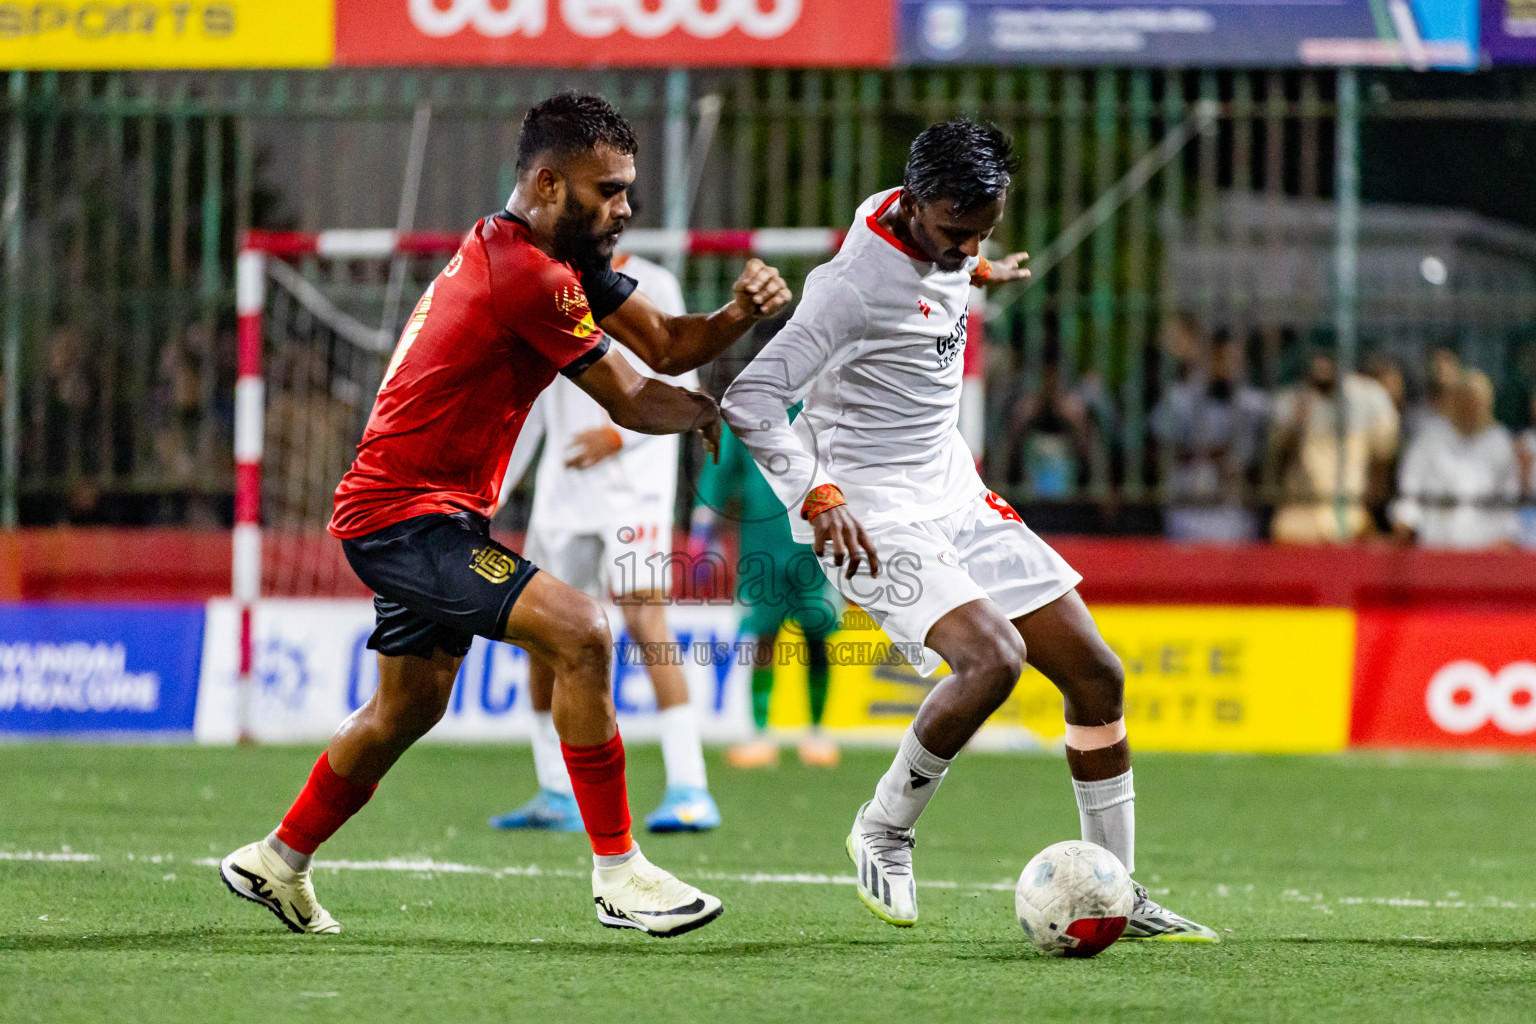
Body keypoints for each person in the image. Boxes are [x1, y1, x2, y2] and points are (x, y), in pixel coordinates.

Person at [219, 93, 790, 939]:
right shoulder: (527, 273)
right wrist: (713, 413)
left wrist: (739, 315)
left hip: (433, 517)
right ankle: (619, 872)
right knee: (584, 633)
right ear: (551, 184)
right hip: (401, 519)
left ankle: (277, 859)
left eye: (629, 188)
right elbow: (633, 398)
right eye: (610, 191)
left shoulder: (558, 257)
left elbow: (667, 344)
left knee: (405, 710)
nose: (626, 206)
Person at [721, 120, 1215, 941]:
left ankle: (1118, 894)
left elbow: (941, 271)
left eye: (984, 231)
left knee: (1096, 676)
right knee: (993, 661)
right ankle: (884, 826)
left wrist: (977, 265)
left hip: (953, 488)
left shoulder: (924, 224)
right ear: (915, 205)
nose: (966, 249)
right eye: (957, 235)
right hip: (870, 510)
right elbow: (750, 398)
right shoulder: (848, 288)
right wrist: (817, 494)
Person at [489, 251, 722, 834]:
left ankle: (690, 786)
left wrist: (618, 438)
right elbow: (534, 413)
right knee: (541, 636)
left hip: (631, 495)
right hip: (563, 497)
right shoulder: (545, 287)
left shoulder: (654, 280)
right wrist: (488, 494)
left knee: (647, 622)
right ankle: (554, 790)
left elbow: (681, 387)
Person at [692, 416, 841, 769]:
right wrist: (704, 523)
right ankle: (760, 734)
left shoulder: (823, 404)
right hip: (761, 543)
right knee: (763, 638)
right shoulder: (745, 407)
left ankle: (818, 732)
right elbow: (721, 468)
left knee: (818, 635)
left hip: (815, 542)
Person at [1269, 350, 1399, 544]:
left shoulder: (1369, 397)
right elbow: (1273, 467)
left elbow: (1384, 460)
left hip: (1352, 520)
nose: (1322, 365)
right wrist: (1295, 429)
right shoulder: (1288, 402)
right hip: (1300, 523)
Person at [1150, 331, 1269, 542]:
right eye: (1222, 360)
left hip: (1235, 512)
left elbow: (1265, 458)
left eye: (1237, 362)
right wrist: (1204, 454)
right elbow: (1156, 449)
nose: (1229, 369)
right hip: (1189, 509)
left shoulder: (1255, 406)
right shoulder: (1180, 400)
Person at [1390, 369, 1520, 549]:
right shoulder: (1430, 436)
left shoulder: (1499, 441)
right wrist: (1406, 520)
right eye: (1465, 400)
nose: (1470, 407)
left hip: (1484, 544)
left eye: (1476, 402)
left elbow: (1508, 494)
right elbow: (1410, 484)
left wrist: (1506, 534)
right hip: (1435, 539)